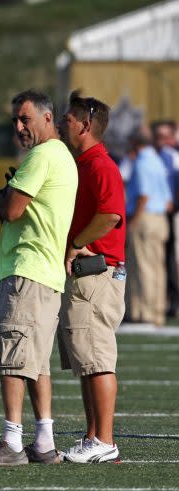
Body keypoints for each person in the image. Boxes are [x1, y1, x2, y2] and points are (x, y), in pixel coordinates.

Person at [0, 90, 77, 466]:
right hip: (45, 273)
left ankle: (12, 443)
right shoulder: (62, 155)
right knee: (36, 362)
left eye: (25, 119)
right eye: (16, 120)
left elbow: (11, 210)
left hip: (27, 269)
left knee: (13, 358)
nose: (19, 127)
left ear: (48, 118)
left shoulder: (42, 155)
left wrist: (1, 194)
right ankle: (44, 441)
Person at [56, 91, 125, 463]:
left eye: (69, 117)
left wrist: (77, 243)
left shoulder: (100, 165)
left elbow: (111, 215)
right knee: (86, 360)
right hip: (87, 277)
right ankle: (93, 436)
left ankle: (106, 440)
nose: (64, 121)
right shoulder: (83, 163)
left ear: (85, 124)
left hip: (99, 274)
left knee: (98, 359)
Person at [124, 128, 173, 325]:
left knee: (143, 266)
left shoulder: (142, 162)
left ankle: (144, 312)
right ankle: (157, 311)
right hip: (160, 217)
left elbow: (144, 195)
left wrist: (134, 221)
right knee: (157, 267)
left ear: (136, 142)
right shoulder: (158, 162)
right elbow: (168, 201)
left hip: (144, 217)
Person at [152, 121, 179, 317]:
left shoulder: (172, 157)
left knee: (173, 259)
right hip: (162, 213)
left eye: (165, 137)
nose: (161, 141)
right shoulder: (157, 156)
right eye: (158, 137)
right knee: (164, 260)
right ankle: (168, 301)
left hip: (173, 212)